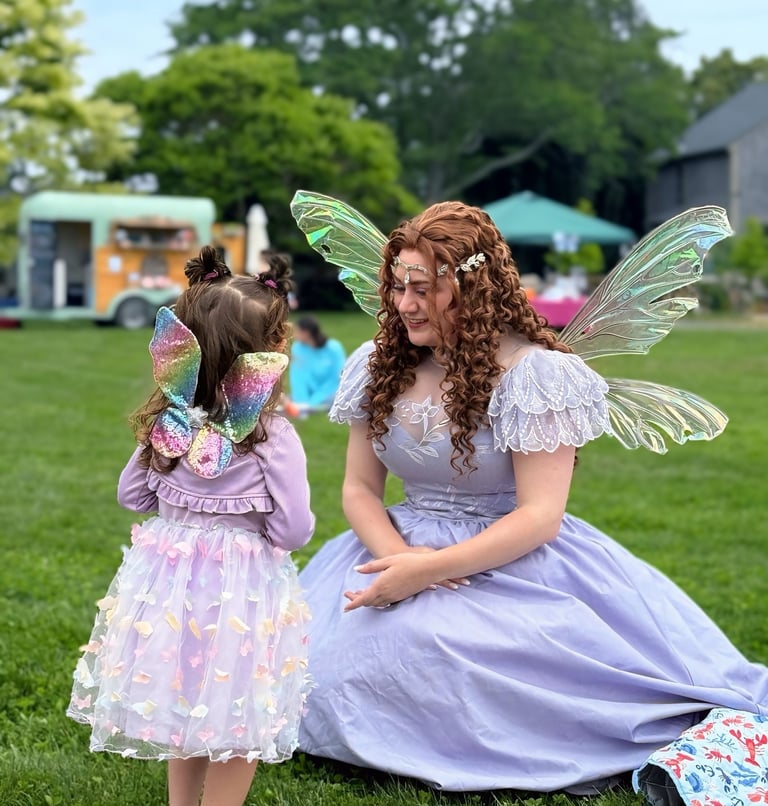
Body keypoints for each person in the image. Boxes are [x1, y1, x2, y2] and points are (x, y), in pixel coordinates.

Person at [296, 201, 768, 795]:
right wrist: (398, 561)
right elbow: (359, 488)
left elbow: (541, 515)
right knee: (333, 648)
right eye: (397, 287)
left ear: (470, 288)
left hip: (509, 557)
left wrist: (430, 571)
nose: (403, 304)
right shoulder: (378, 365)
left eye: (422, 289)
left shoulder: (535, 375)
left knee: (437, 646)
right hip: (392, 545)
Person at [67, 246, 315, 806]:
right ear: (271, 352)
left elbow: (132, 495)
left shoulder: (170, 424)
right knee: (236, 710)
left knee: (185, 701)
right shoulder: (273, 435)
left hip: (169, 592)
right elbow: (293, 531)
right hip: (239, 594)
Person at [286, 315, 347, 413]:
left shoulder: (334, 348)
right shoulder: (297, 348)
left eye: (297, 331)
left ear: (306, 333)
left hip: (330, 391)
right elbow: (297, 376)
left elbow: (336, 377)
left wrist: (314, 401)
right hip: (309, 391)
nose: (294, 335)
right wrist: (301, 401)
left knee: (339, 399)